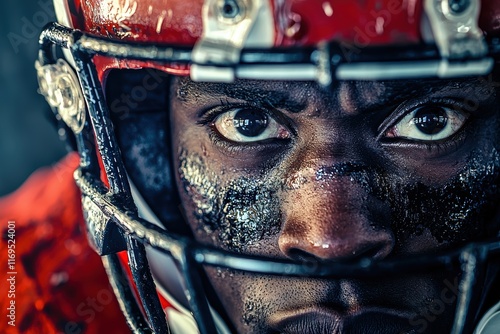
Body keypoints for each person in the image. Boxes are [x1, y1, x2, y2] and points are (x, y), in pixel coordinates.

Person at [2, 0, 500, 333]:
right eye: (247, 123)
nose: (333, 240)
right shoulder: (27, 298)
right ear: (140, 137)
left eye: (430, 122)